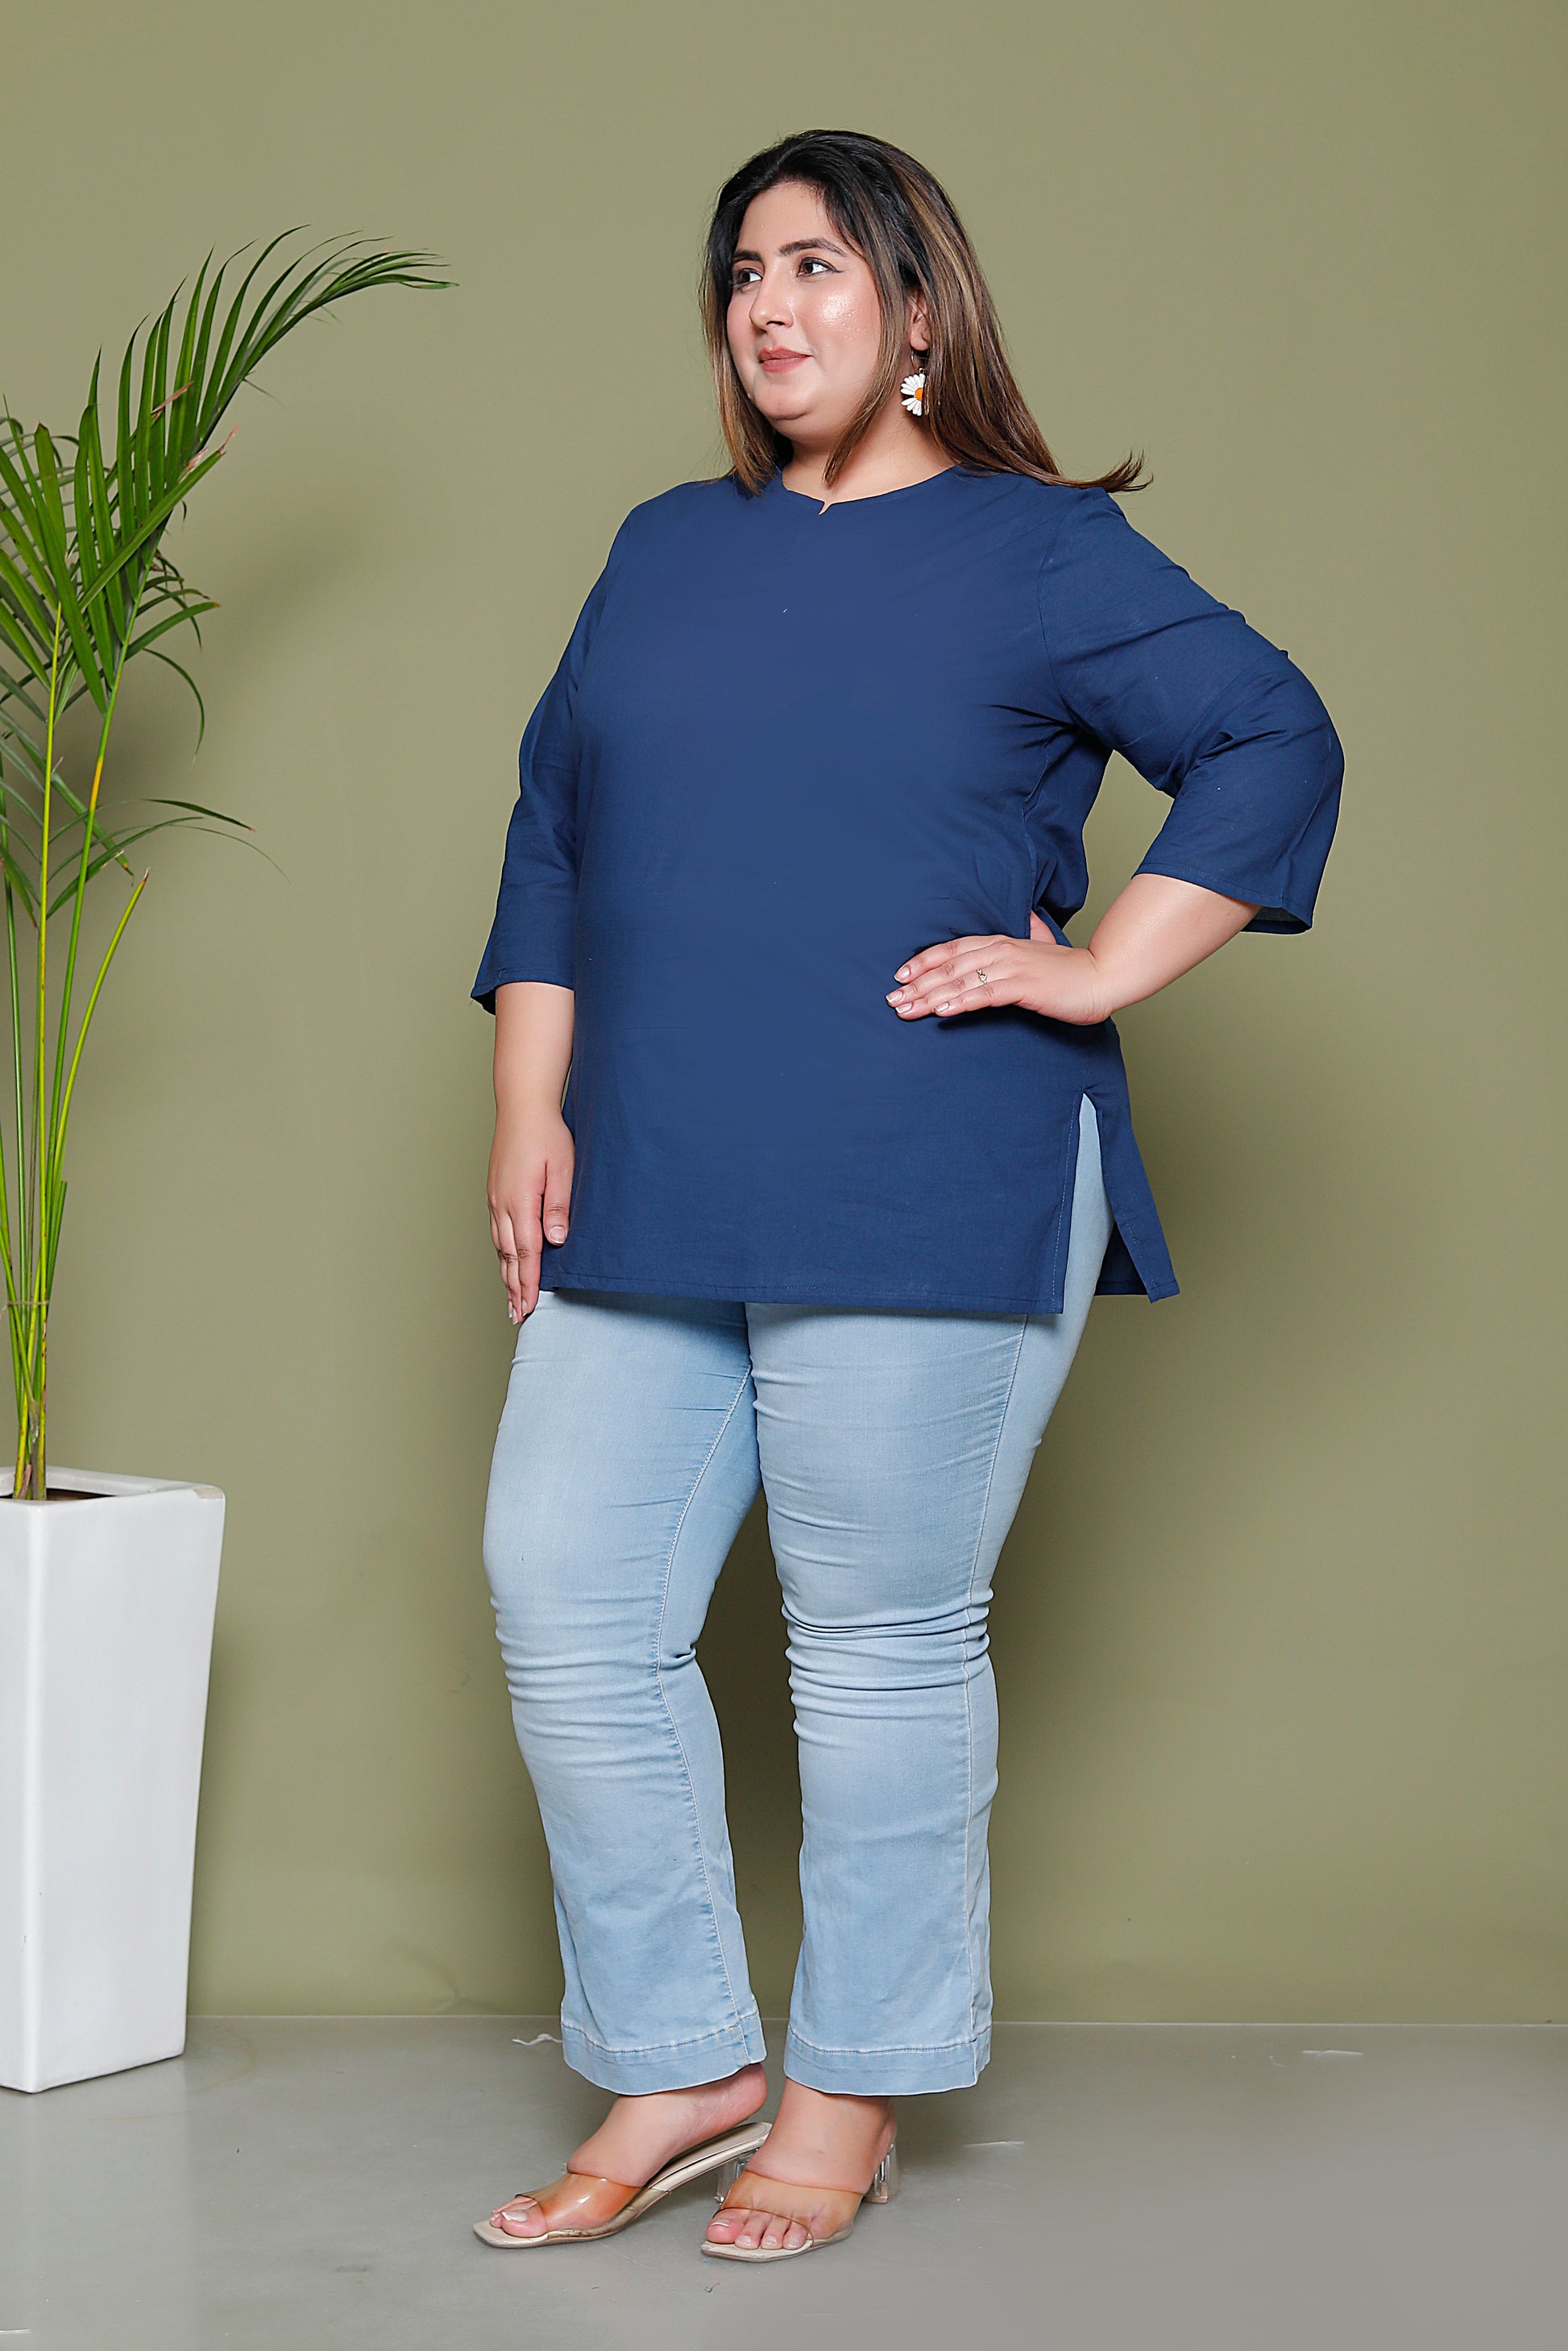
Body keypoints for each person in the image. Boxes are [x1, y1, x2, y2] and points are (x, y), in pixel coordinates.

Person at [470, 128, 1342, 2264]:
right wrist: (528, 1106)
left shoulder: (1043, 551)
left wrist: (1100, 963)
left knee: (872, 1649)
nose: (770, 305)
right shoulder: (661, 547)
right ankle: (681, 2059)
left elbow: (1271, 737)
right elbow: (553, 828)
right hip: (650, 1160)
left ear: (921, 307)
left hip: (926, 1164)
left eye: (819, 266)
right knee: (564, 1594)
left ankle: (844, 2092)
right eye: (742, 272)